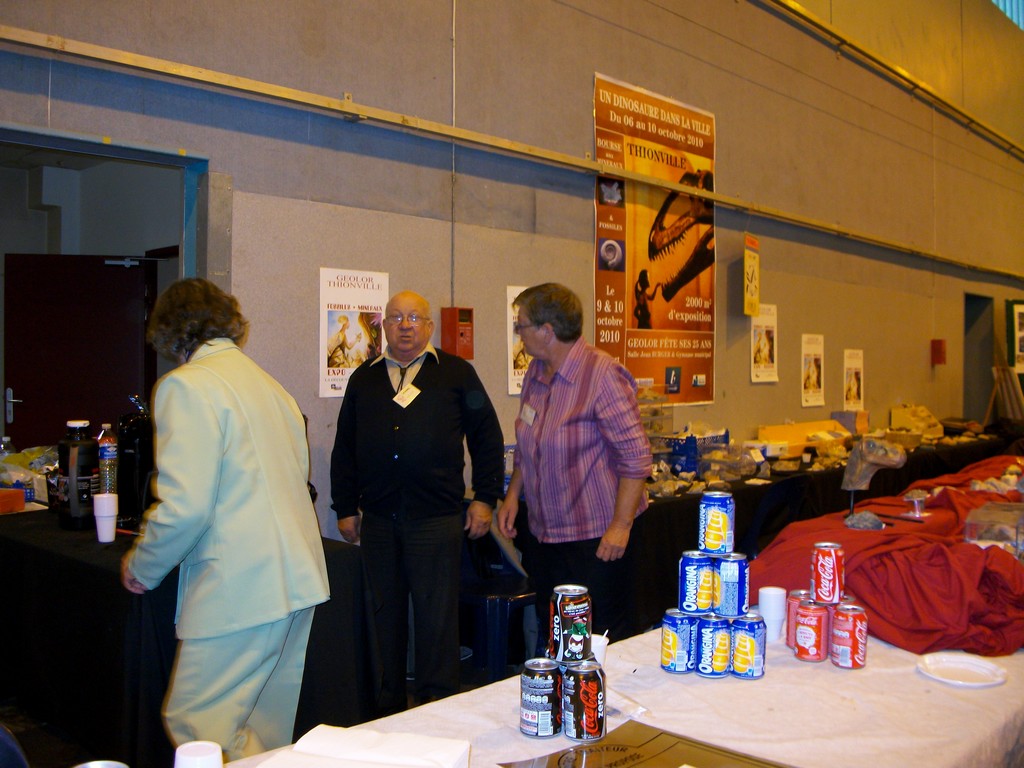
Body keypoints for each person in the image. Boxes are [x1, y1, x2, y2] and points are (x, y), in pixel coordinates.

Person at [120, 278, 329, 760]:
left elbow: (187, 505)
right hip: (297, 580)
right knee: (264, 732)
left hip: (242, 587)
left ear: (170, 332)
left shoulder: (185, 386)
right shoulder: (270, 386)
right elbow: (296, 477)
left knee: (198, 724)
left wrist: (144, 564)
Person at [330, 290, 504, 713]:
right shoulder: (363, 378)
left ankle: (437, 705)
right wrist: (345, 507)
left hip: (436, 520)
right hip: (379, 521)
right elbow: (345, 446)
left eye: (414, 318)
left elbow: (487, 438)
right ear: (384, 327)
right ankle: (384, 708)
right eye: (395, 318)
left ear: (429, 326)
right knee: (382, 618)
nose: (405, 326)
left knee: (436, 620)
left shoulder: (456, 373)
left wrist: (485, 499)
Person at [496, 283, 652, 643]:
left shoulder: (602, 375)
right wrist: (513, 495)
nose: (518, 333)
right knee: (556, 633)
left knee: (598, 637)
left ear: (546, 331)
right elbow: (529, 442)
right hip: (546, 535)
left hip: (596, 538)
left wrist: (620, 526)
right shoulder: (536, 373)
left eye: (521, 325)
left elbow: (635, 459)